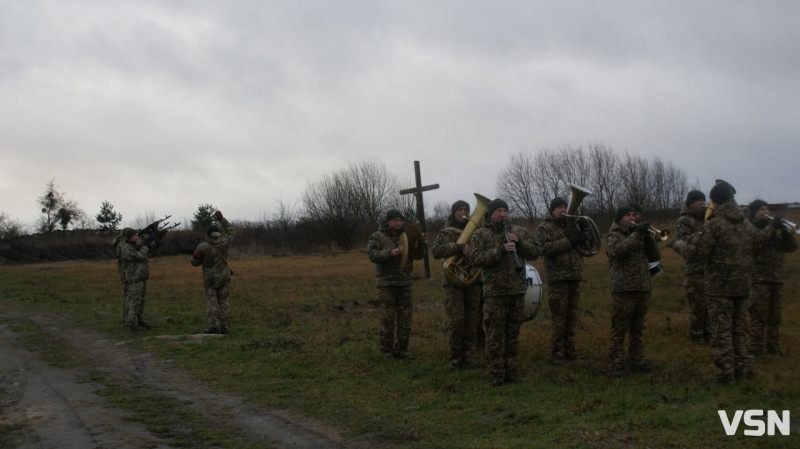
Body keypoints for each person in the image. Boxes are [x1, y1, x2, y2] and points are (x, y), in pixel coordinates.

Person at [670, 181, 755, 384]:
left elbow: (697, 252)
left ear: (715, 202)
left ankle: (726, 375)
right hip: (743, 285)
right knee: (741, 330)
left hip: (720, 287)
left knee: (722, 332)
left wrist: (679, 244)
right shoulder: (746, 224)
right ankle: (744, 371)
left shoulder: (715, 225)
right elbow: (756, 247)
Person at [469, 199, 540, 386]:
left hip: (517, 290)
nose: (502, 214)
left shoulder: (519, 231)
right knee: (494, 334)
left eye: (505, 211)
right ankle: (497, 373)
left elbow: (535, 252)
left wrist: (521, 243)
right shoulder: (481, 234)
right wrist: (500, 250)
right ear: (491, 214)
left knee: (512, 333)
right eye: (498, 211)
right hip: (495, 292)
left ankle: (511, 370)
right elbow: (476, 258)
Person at [605, 205, 660, 377]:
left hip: (642, 287)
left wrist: (649, 239)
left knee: (637, 329)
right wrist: (636, 234)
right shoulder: (613, 236)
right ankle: (616, 363)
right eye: (627, 215)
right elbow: (618, 251)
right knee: (619, 329)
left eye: (633, 215)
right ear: (620, 218)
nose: (632, 218)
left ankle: (637, 361)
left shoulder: (639, 235)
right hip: (624, 289)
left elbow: (655, 256)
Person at [536, 197, 588, 365]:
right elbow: (546, 249)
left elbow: (587, 248)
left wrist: (585, 233)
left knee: (572, 317)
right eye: (559, 207)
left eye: (565, 206)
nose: (563, 209)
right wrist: (570, 241)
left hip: (574, 276)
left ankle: (570, 350)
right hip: (557, 278)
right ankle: (558, 353)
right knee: (559, 317)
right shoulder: (544, 227)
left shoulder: (573, 225)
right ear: (551, 210)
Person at [432, 200, 482, 370]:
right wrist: (458, 247)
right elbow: (436, 251)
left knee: (472, 321)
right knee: (457, 321)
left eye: (466, 209)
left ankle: (468, 358)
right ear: (453, 212)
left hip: (472, 281)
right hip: (453, 282)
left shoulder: (477, 231)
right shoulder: (446, 232)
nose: (463, 212)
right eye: (459, 209)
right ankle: (455, 359)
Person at [746, 199, 798, 355]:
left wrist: (786, 233)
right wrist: (771, 227)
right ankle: (756, 347)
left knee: (775, 316)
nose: (766, 212)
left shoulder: (775, 228)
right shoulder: (749, 227)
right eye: (762, 209)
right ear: (754, 212)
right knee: (758, 315)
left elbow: (792, 248)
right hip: (759, 279)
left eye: (766, 209)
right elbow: (757, 242)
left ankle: (773, 346)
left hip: (777, 278)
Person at [367, 209, 415, 359]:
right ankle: (386, 351)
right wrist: (389, 253)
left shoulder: (406, 236)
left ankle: (402, 350)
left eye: (400, 220)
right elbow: (372, 254)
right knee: (387, 318)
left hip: (404, 283)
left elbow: (417, 254)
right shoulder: (377, 236)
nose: (398, 223)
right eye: (395, 220)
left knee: (405, 319)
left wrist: (418, 244)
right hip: (386, 284)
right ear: (388, 222)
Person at [673, 190, 710, 345]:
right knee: (697, 305)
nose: (703, 203)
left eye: (704, 200)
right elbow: (683, 241)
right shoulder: (684, 221)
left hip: (709, 268)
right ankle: (696, 335)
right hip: (694, 270)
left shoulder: (708, 219)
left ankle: (709, 333)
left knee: (710, 305)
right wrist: (702, 233)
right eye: (699, 200)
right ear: (691, 203)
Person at [191, 210, 236, 334]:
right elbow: (231, 231)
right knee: (224, 302)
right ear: (218, 233)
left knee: (211, 302)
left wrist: (203, 260)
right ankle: (225, 327)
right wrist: (222, 219)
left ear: (208, 235)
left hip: (209, 278)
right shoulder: (224, 242)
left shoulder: (202, 247)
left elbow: (194, 262)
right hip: (224, 276)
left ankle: (213, 326)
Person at [116, 227, 152, 331]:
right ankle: (132, 322)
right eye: (135, 236)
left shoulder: (134, 246)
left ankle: (140, 319)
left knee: (141, 300)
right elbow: (140, 256)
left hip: (141, 276)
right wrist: (145, 248)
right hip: (134, 278)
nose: (137, 237)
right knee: (134, 300)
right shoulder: (127, 248)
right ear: (129, 237)